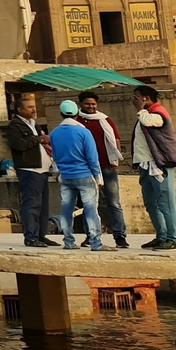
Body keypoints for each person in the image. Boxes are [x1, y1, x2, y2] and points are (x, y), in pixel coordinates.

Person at [76, 91, 130, 248]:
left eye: (93, 104)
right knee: (90, 203)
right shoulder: (76, 121)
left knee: (114, 203)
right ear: (80, 104)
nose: (91, 107)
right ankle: (91, 236)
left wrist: (116, 162)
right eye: (87, 104)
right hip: (87, 169)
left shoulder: (105, 120)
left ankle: (120, 236)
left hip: (108, 166)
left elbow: (116, 140)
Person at [50, 98, 105, 250]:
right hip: (85, 175)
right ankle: (96, 243)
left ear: (61, 113)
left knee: (66, 209)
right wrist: (97, 177)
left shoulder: (54, 133)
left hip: (66, 177)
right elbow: (92, 158)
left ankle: (68, 241)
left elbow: (54, 156)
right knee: (91, 210)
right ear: (76, 114)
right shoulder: (83, 132)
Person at [132, 85, 176, 250]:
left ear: (145, 98)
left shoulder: (158, 113)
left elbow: (148, 121)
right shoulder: (146, 114)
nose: (134, 100)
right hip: (146, 165)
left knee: (165, 203)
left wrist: (140, 110)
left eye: (136, 97)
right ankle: (161, 236)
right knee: (151, 202)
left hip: (159, 165)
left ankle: (173, 238)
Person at [4, 95, 56, 247]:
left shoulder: (34, 124)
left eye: (33, 106)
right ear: (20, 110)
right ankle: (31, 237)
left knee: (44, 206)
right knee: (31, 205)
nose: (33, 109)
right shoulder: (15, 126)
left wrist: (44, 139)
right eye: (29, 107)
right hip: (29, 169)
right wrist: (38, 139)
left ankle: (41, 235)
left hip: (43, 169)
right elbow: (19, 144)